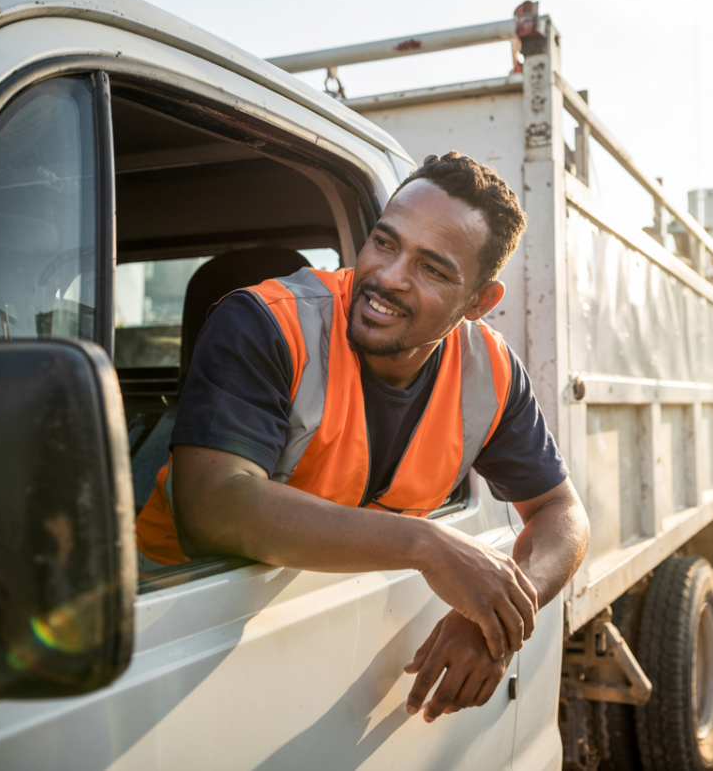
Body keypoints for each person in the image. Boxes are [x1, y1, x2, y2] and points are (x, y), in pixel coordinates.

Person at [135, 151, 590, 723]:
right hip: (173, 621)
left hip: (328, 628)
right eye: (384, 242)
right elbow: (212, 505)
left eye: (432, 268)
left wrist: (497, 620)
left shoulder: (491, 371)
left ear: (478, 302)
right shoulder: (267, 320)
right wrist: (427, 545)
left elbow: (562, 513)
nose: (388, 277)